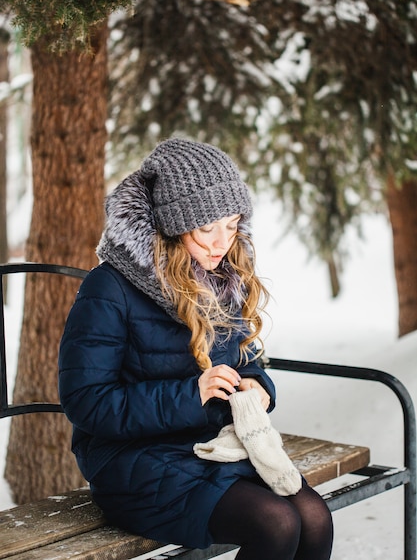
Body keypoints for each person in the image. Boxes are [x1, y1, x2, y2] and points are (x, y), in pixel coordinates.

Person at [59, 138, 333, 560]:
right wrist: (191, 394)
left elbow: (245, 358)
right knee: (275, 524)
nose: (221, 242)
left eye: (232, 223)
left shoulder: (224, 275)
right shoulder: (109, 287)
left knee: (314, 518)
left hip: (213, 447)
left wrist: (257, 385)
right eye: (207, 227)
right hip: (134, 462)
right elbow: (87, 403)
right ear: (173, 222)